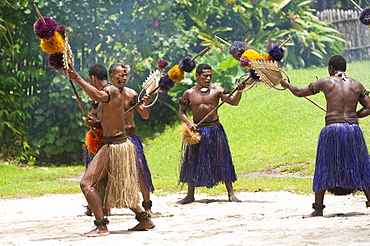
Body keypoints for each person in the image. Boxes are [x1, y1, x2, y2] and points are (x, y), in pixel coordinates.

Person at [66, 64, 154, 237]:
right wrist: (95, 123)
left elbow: (97, 94)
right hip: (114, 144)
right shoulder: (107, 95)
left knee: (86, 184)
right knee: (118, 186)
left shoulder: (111, 91)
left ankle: (101, 226)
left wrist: (77, 78)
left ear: (92, 78)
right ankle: (144, 219)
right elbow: (110, 120)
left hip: (115, 146)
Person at [280, 55, 370, 217]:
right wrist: (352, 116)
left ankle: (318, 209)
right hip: (352, 129)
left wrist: (286, 84)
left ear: (330, 68)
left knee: (324, 165)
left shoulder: (326, 82)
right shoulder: (357, 85)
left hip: (332, 130)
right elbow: (369, 108)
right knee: (361, 165)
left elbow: (300, 92)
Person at [178, 63, 246, 204]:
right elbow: (182, 111)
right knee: (193, 160)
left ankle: (231, 194)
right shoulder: (189, 93)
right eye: (205, 76)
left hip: (215, 130)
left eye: (210, 76)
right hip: (197, 132)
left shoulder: (217, 91)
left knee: (223, 158)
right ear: (197, 76)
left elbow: (233, 102)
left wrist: (239, 91)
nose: (208, 78)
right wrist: (190, 123)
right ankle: (190, 195)